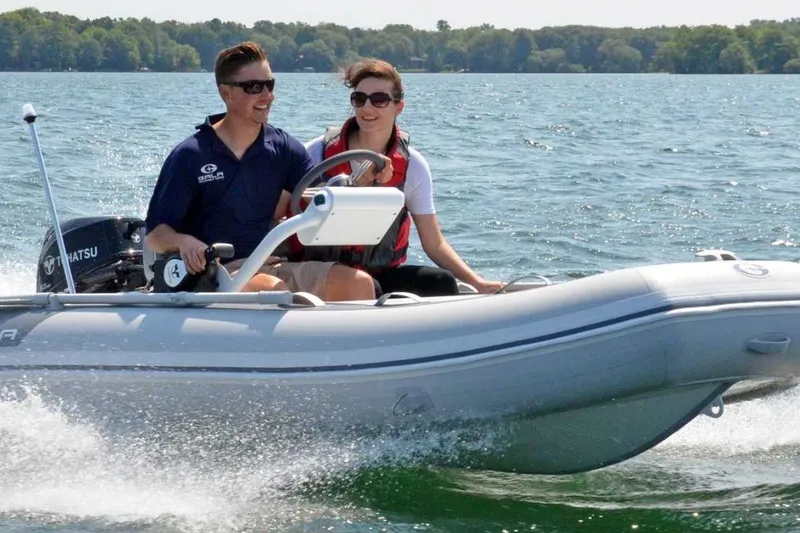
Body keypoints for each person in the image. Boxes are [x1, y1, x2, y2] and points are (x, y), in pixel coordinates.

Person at [144, 41, 376, 301]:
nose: (266, 96)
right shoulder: (190, 155)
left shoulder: (284, 148)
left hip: (269, 264)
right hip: (215, 274)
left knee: (359, 284)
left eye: (269, 85)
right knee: (275, 290)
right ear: (226, 93)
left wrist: (361, 183)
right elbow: (155, 235)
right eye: (254, 87)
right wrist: (184, 242)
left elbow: (322, 197)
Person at [276, 58, 504, 296]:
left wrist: (478, 283)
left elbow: (434, 243)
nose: (367, 108)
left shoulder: (413, 166)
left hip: (378, 274)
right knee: (365, 285)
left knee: (441, 282)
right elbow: (277, 212)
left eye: (379, 99)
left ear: (399, 107)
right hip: (321, 273)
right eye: (359, 98)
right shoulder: (315, 153)